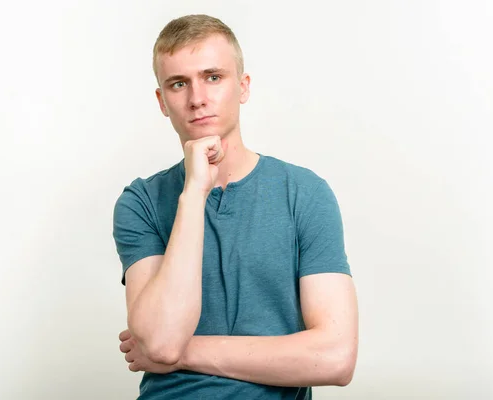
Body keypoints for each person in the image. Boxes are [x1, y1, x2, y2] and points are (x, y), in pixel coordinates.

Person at [112, 14, 358, 400]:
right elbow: (160, 342)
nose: (197, 99)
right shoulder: (140, 202)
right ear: (162, 101)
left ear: (242, 87)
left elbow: (335, 358)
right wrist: (194, 192)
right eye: (179, 84)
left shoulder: (304, 193)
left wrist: (183, 352)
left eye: (213, 77)